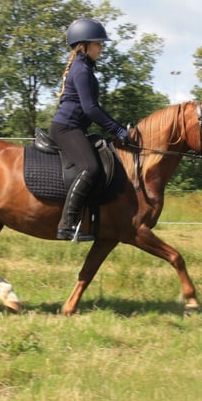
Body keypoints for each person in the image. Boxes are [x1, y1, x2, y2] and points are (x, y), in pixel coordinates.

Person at [50, 18, 132, 241]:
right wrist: (116, 129)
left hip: (74, 127)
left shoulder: (83, 67)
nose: (102, 48)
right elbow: (90, 109)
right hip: (66, 129)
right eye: (98, 44)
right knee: (90, 167)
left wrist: (116, 127)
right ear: (83, 45)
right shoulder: (82, 70)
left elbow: (92, 108)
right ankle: (67, 225)